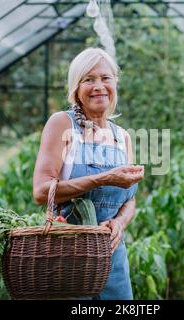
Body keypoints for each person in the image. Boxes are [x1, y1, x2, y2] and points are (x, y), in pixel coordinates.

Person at [32, 47, 144, 300]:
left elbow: (130, 200)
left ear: (115, 83)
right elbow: (40, 192)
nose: (99, 86)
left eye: (105, 78)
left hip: (112, 258)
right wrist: (104, 178)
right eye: (88, 79)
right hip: (68, 257)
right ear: (76, 88)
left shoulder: (121, 136)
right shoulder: (62, 123)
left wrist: (120, 223)